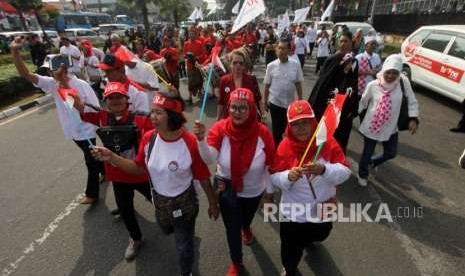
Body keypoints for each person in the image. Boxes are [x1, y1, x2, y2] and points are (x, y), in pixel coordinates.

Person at [91, 92, 219, 276]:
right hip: (159, 203)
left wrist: (213, 204)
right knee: (166, 229)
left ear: (172, 116)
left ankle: (186, 271)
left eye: (158, 113)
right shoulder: (149, 138)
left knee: (183, 246)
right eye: (152, 112)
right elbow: (138, 169)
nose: (152, 117)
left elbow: (204, 178)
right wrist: (111, 157)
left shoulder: (189, 142)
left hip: (185, 205)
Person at [10, 37, 103, 204]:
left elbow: (85, 110)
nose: (48, 74)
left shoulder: (81, 85)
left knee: (90, 161)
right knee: (91, 156)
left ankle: (92, 194)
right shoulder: (53, 83)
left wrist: (65, 86)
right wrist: (15, 53)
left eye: (50, 70)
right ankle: (106, 171)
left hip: (86, 129)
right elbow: (26, 74)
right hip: (73, 130)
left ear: (62, 69)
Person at [193, 88, 275, 276]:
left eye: (242, 108)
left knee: (245, 220)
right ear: (228, 108)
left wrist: (269, 194)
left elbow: (270, 165)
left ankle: (246, 228)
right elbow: (208, 159)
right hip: (227, 186)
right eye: (233, 107)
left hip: (254, 190)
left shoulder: (263, 133)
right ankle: (236, 262)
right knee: (232, 227)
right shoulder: (220, 128)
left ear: (251, 109)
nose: (237, 112)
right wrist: (201, 141)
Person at [266, 100, 351, 276]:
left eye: (305, 122)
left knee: (322, 233)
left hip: (322, 206)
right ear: (289, 126)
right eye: (295, 124)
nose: (301, 128)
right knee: (290, 246)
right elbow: (274, 177)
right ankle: (289, 269)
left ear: (313, 122)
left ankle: (307, 239)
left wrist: (324, 169)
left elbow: (345, 172)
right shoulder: (284, 147)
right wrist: (287, 177)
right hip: (293, 211)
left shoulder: (327, 142)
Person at [72, 82, 154, 260]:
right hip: (117, 177)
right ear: (105, 101)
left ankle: (174, 222)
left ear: (127, 99)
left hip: (140, 174)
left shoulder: (142, 119)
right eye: (111, 98)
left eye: (119, 96)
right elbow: (82, 112)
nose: (116, 101)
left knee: (159, 202)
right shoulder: (102, 117)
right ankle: (136, 238)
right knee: (125, 210)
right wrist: (72, 98)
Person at [357, 54, 419, 186]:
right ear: (384, 70)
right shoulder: (373, 85)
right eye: (388, 72)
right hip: (372, 125)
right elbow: (362, 102)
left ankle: (373, 162)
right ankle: (362, 173)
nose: (391, 76)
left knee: (391, 153)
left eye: (395, 73)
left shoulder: (403, 82)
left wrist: (413, 118)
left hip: (391, 126)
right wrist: (350, 114)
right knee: (367, 152)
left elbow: (412, 101)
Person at [308, 30, 359, 153]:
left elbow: (352, 84)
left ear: (351, 43)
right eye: (341, 41)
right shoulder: (332, 58)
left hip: (342, 105)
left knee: (338, 138)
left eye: (346, 41)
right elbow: (322, 81)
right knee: (321, 135)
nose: (343, 44)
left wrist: (352, 106)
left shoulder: (353, 61)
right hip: (326, 102)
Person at [264, 39, 304, 145]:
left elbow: (298, 83)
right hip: (275, 103)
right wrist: (265, 101)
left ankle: (289, 150)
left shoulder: (295, 65)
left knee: (290, 129)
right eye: (279, 48)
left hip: (290, 104)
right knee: (277, 131)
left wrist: (300, 99)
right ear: (276, 50)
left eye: (284, 48)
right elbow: (267, 85)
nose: (281, 51)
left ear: (289, 50)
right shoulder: (271, 66)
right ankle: (277, 151)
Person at [217, 50, 261, 120]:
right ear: (230, 64)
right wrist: (218, 118)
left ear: (244, 66)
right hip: (229, 118)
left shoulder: (251, 79)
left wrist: (263, 115)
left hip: (248, 118)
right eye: (235, 63)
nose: (238, 65)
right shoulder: (223, 80)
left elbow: (258, 99)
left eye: (241, 63)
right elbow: (221, 102)